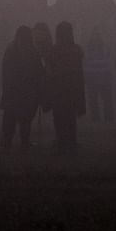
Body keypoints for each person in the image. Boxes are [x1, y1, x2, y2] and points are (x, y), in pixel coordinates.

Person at [0, 25, 44, 150]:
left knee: (13, 117)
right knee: (25, 118)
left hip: (15, 90)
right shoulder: (31, 50)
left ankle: (8, 141)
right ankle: (21, 141)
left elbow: (6, 71)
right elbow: (39, 71)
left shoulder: (12, 49)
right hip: (25, 90)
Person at [46, 22, 85, 154]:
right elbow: (79, 70)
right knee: (70, 116)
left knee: (59, 116)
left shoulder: (54, 50)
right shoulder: (76, 50)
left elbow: (49, 69)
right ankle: (71, 141)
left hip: (58, 87)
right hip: (72, 87)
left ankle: (61, 140)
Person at [83, 29, 114, 123]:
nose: (95, 37)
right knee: (93, 99)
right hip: (92, 76)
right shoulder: (87, 48)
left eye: (97, 35)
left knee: (107, 98)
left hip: (103, 76)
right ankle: (96, 118)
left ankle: (109, 118)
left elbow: (108, 61)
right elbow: (85, 62)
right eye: (94, 35)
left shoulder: (105, 47)